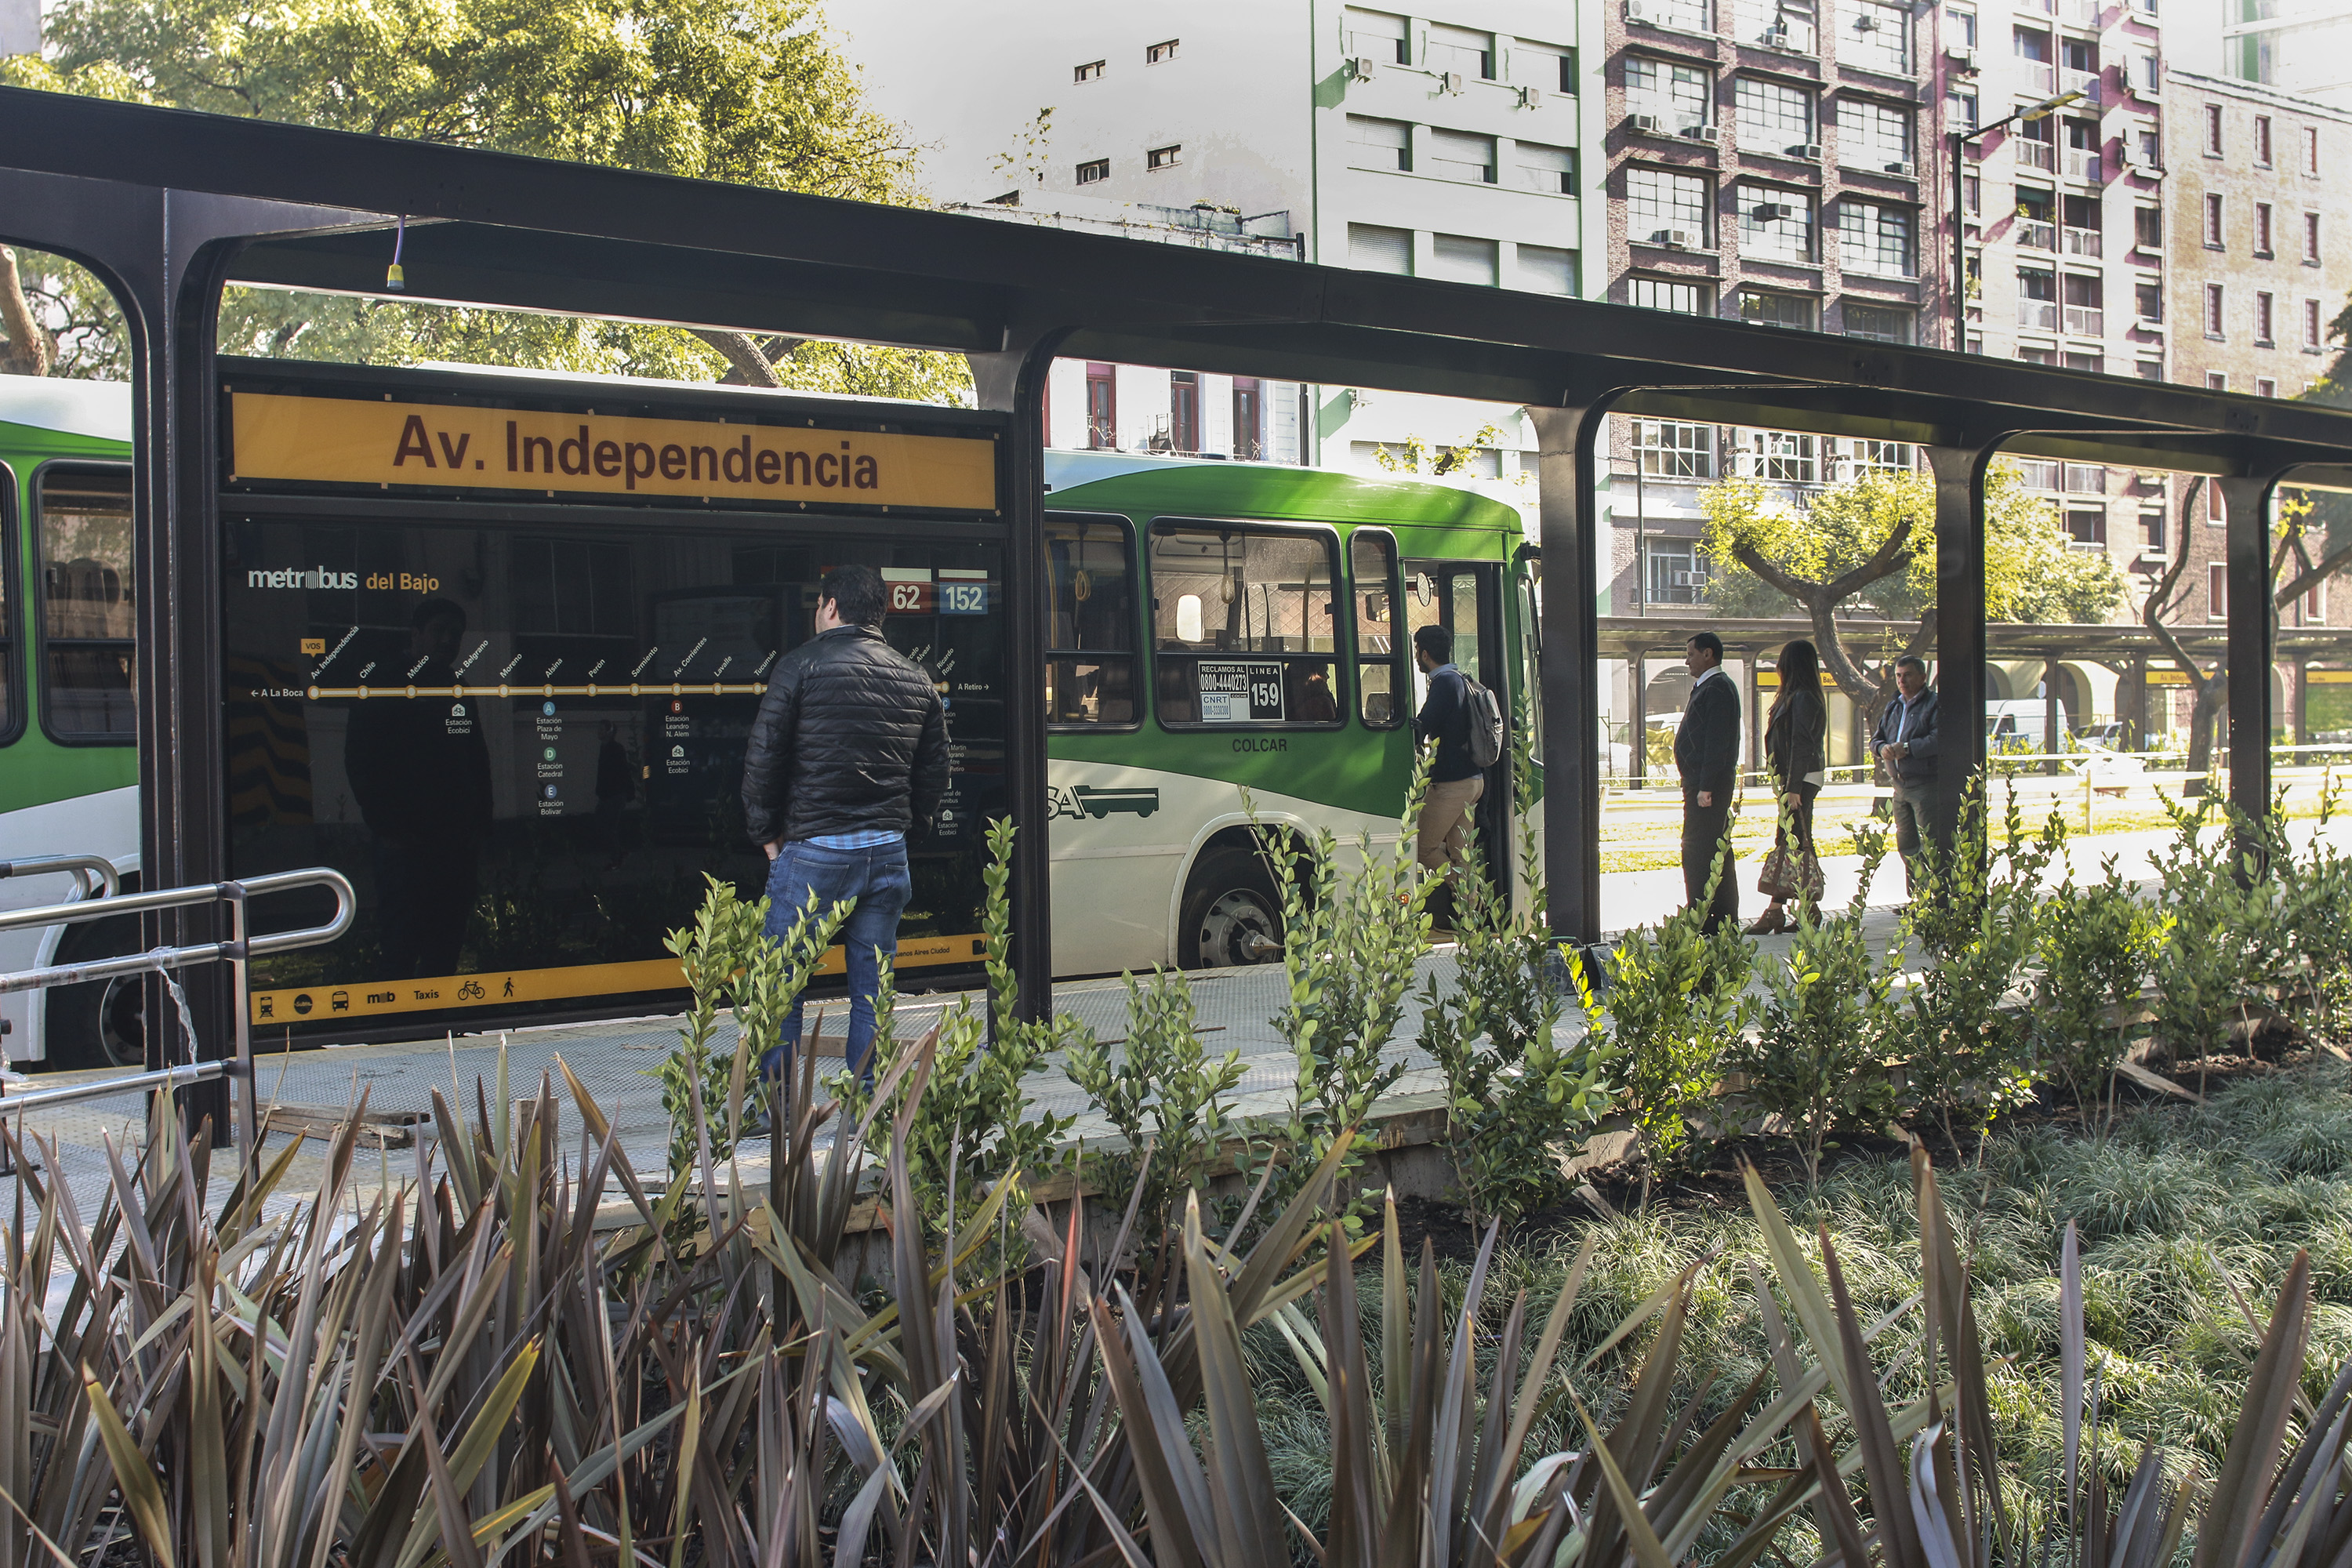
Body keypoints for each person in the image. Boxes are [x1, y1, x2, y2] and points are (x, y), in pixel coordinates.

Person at [741, 564, 949, 1090]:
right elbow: (934, 770)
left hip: (815, 850)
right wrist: (909, 830)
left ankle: (778, 1111)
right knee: (872, 990)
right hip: (886, 851)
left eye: (819, 605)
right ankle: (866, 1111)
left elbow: (764, 756)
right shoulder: (915, 677)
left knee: (783, 984)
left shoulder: (799, 667)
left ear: (831, 607)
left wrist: (765, 834)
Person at [344, 597, 492, 978]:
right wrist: (388, 827)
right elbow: (361, 761)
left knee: (446, 943)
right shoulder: (383, 684)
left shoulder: (458, 689)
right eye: (439, 631)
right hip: (404, 845)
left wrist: (478, 827)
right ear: (416, 634)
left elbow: (476, 761)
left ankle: (438, 1023)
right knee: (401, 942)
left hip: (454, 843)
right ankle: (402, 1029)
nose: (448, 640)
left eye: (455, 635)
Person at [1748, 639, 1827, 935]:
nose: (1777, 667)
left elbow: (1801, 743)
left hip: (1801, 779)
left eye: (1781, 661)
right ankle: (1802, 909)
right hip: (1794, 778)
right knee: (1792, 839)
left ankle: (1778, 911)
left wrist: (1793, 786)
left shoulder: (1803, 698)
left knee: (1794, 839)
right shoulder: (1795, 696)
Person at [1674, 631, 1742, 935]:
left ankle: (1708, 915)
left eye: (1691, 654)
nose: (1687, 660)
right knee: (1712, 850)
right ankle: (1715, 915)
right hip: (1698, 784)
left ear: (1708, 654)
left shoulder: (1717, 688)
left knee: (1701, 850)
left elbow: (1717, 743)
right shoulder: (1708, 687)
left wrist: (1706, 786)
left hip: (1706, 789)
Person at [1410, 624, 1483, 884]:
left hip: (1452, 784)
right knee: (1462, 854)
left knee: (1421, 847)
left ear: (1426, 654)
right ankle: (1469, 918)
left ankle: (1466, 888)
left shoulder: (1444, 684)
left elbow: (1422, 726)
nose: (1417, 655)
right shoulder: (1460, 680)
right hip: (1472, 780)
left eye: (1418, 650)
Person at [1871, 655, 1940, 895]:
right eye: (1899, 676)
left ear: (1923, 677)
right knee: (1907, 845)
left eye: (1908, 675)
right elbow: (1876, 739)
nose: (1902, 680)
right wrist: (1883, 749)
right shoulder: (1894, 706)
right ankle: (1916, 899)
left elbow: (1938, 739)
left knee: (1928, 844)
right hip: (1899, 787)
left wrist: (1907, 748)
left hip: (1925, 785)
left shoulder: (1934, 705)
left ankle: (1934, 900)